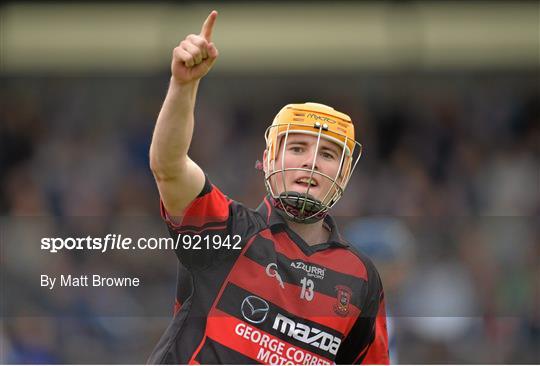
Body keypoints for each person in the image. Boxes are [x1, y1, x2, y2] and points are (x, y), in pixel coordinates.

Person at [148, 10, 389, 365]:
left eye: (327, 154)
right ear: (269, 159)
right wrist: (183, 87)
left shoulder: (361, 278)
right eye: (297, 148)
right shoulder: (227, 230)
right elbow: (169, 168)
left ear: (344, 172)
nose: (310, 162)